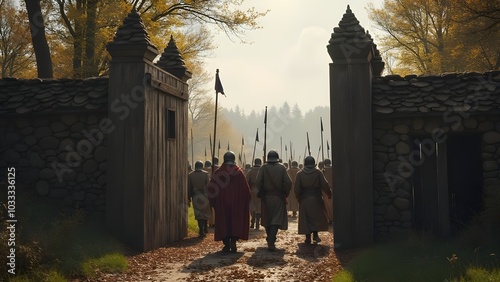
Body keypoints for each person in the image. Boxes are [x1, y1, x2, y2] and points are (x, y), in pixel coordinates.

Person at [207, 151, 251, 253]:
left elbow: (211, 190)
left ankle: (226, 244)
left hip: (222, 204)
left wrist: (214, 203)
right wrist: (244, 203)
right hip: (237, 204)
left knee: (224, 223)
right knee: (235, 223)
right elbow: (246, 191)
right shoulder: (239, 173)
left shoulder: (218, 172)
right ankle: (233, 241)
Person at [257, 150, 292, 251]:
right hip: (278, 198)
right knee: (276, 219)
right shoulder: (281, 168)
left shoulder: (263, 167)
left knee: (267, 219)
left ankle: (270, 239)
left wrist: (262, 190)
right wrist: (285, 193)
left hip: (266, 198)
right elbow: (288, 182)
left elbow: (258, 181)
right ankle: (271, 240)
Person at [294, 156, 332, 244]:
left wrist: (298, 198)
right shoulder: (318, 172)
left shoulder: (300, 174)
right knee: (316, 217)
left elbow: (297, 189)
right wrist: (329, 193)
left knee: (306, 218)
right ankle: (315, 235)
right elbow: (325, 184)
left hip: (304, 199)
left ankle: (308, 237)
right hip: (316, 198)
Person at [188, 161, 211, 238]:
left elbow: (189, 187)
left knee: (198, 213)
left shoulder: (190, 175)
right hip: (204, 195)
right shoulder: (205, 174)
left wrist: (188, 196)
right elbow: (208, 186)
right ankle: (205, 228)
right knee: (205, 212)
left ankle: (201, 229)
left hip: (195, 196)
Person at [246, 158, 262, 230]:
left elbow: (247, 182)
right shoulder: (263, 170)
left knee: (253, 207)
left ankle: (252, 222)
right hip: (261, 190)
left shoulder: (250, 171)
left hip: (252, 190)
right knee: (259, 208)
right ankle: (257, 223)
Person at [322, 158, 334, 223]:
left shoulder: (323, 171)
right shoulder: (333, 169)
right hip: (333, 190)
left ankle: (329, 219)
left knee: (327, 206)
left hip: (325, 191)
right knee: (332, 205)